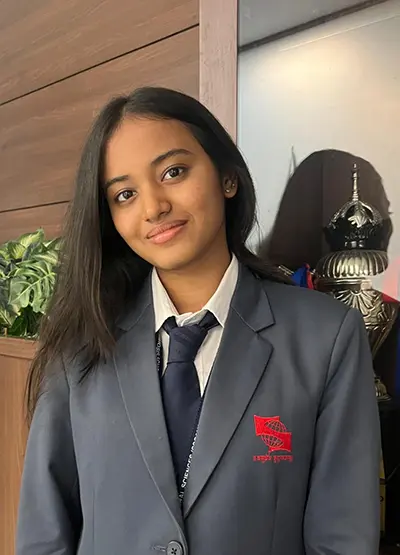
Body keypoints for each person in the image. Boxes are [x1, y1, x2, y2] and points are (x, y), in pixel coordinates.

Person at [17, 87, 380, 555]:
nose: (153, 207)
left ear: (227, 177)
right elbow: (44, 536)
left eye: (173, 172)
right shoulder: (81, 343)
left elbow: (343, 539)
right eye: (125, 194)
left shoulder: (325, 338)